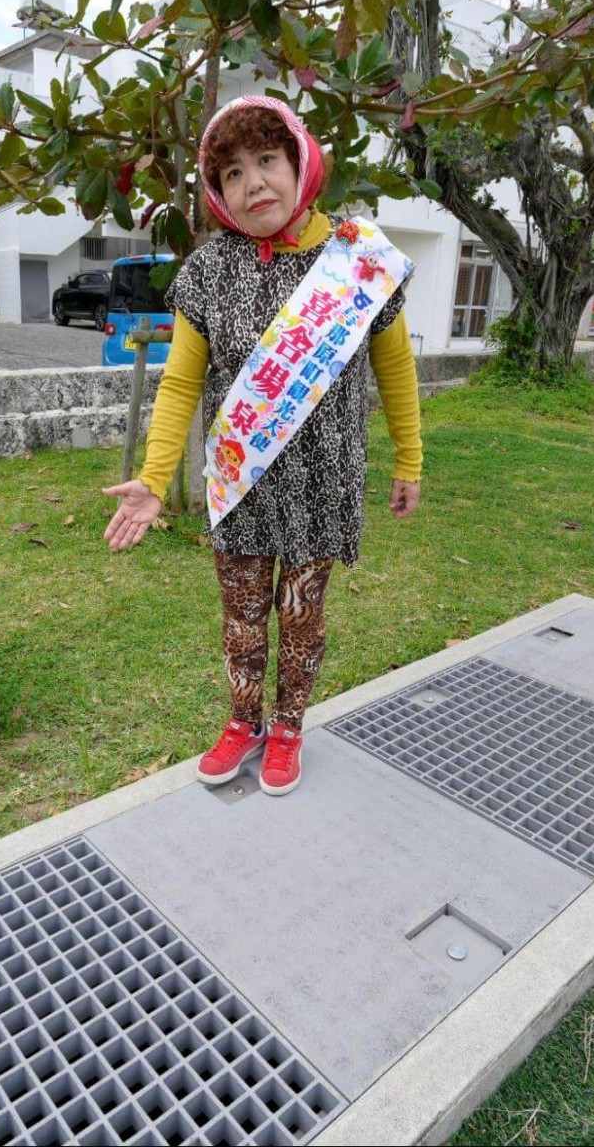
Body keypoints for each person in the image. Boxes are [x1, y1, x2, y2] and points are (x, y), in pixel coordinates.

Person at [102, 95, 422, 797]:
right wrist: (154, 479)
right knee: (241, 617)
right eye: (232, 174)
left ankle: (287, 728)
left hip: (322, 482)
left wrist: (409, 459)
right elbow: (182, 383)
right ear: (216, 194)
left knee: (300, 617)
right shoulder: (209, 271)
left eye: (267, 161)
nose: (254, 185)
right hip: (239, 480)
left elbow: (394, 368)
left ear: (301, 161)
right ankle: (242, 722)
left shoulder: (356, 260)